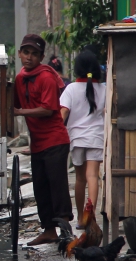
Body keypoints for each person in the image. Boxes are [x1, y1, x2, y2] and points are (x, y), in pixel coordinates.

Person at [14, 34, 74, 245]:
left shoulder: (46, 77)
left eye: (35, 54)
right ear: (20, 54)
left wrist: (19, 112)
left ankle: (66, 231)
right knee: (40, 187)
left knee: (57, 186)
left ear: (41, 57)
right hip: (37, 143)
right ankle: (49, 231)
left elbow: (49, 110)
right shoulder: (20, 78)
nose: (29, 57)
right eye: (26, 53)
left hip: (55, 140)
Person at [60, 50, 106, 224]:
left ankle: (80, 218)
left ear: (76, 69)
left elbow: (63, 111)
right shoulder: (103, 89)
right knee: (92, 176)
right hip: (96, 137)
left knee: (80, 178)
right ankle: (90, 217)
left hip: (77, 138)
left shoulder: (70, 89)